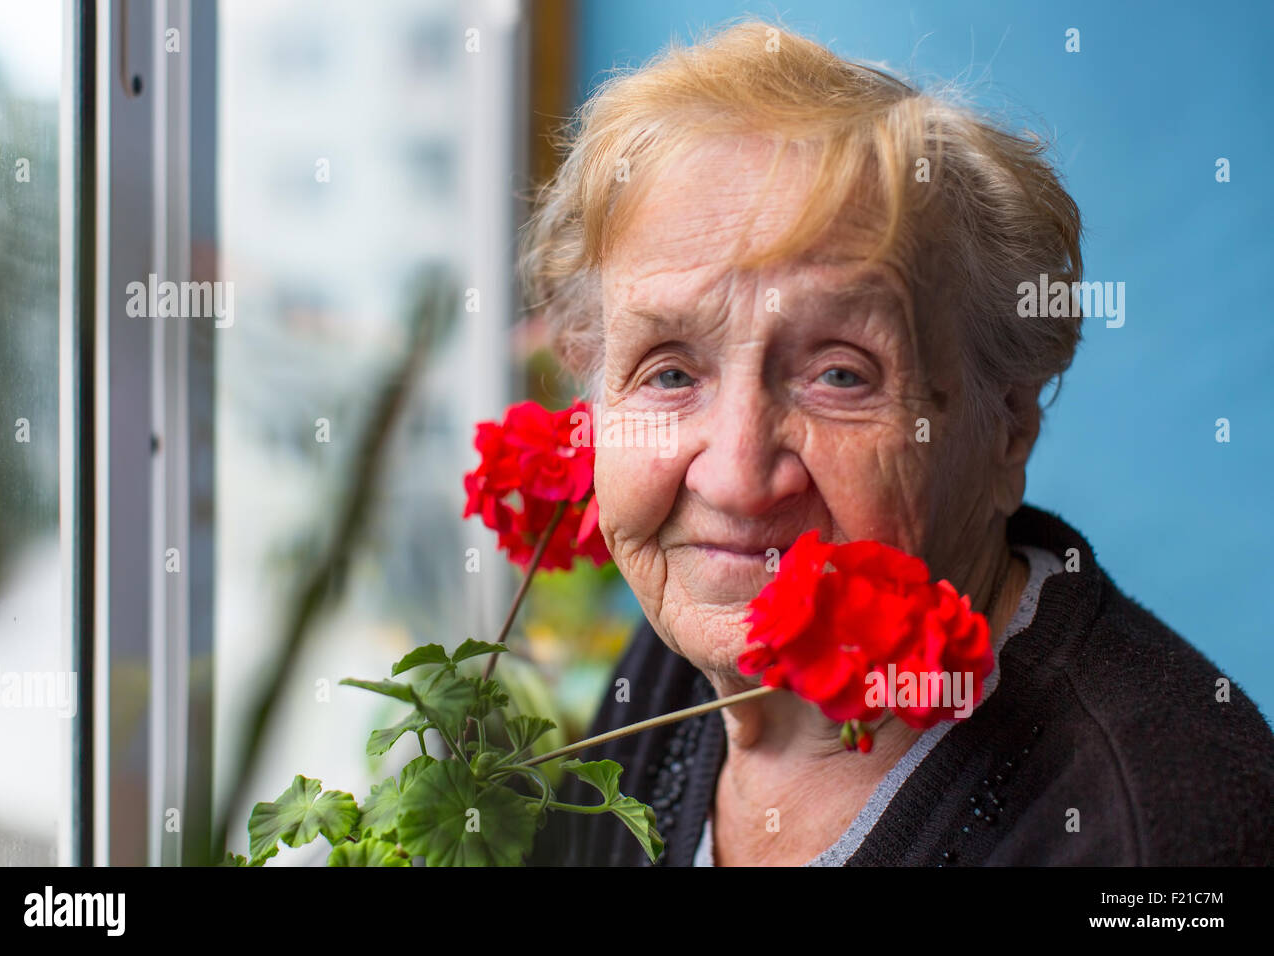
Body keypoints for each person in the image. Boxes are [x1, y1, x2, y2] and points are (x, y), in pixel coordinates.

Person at [520, 20, 1274, 865]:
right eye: (668, 373)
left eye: (841, 376)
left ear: (1008, 428)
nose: (735, 481)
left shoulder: (1149, 830)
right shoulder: (671, 668)